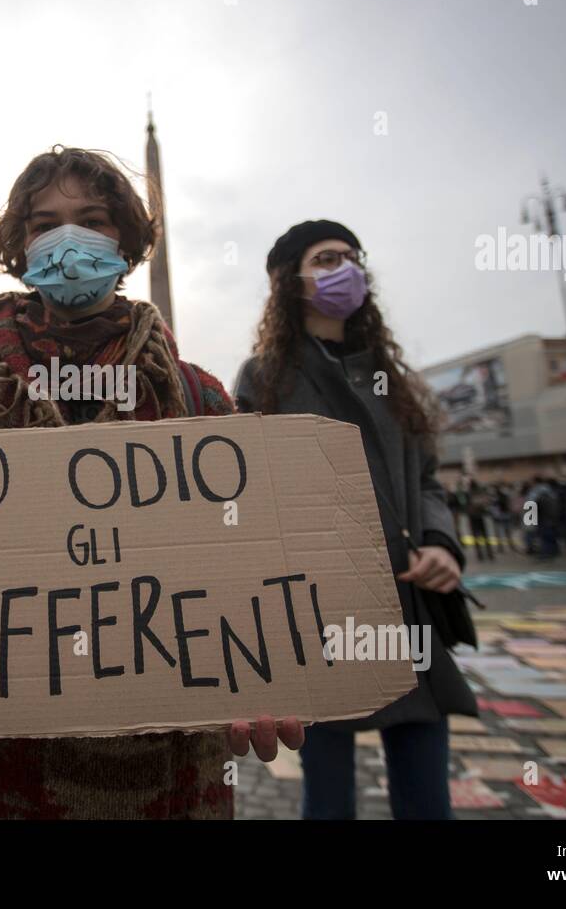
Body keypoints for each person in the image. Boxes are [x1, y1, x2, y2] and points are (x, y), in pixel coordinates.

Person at [0, 146, 302, 819]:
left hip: (171, 779)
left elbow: (249, 566)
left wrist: (264, 672)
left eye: (91, 219)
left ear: (126, 240)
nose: (67, 238)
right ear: (20, 247)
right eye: (44, 223)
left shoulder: (199, 398)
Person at [234, 219, 476, 820]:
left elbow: (424, 481)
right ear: (287, 282)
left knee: (427, 797)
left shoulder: (396, 378)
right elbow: (250, 493)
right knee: (327, 795)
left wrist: (442, 543)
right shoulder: (264, 377)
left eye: (350, 257)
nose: (343, 268)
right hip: (319, 609)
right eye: (324, 259)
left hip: (408, 600)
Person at [466, 480, 493, 562]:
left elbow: (466, 505)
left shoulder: (469, 494)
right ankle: (489, 553)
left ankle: (480, 554)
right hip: (480, 516)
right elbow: (486, 503)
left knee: (476, 536)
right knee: (485, 535)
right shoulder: (480, 493)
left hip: (473, 517)